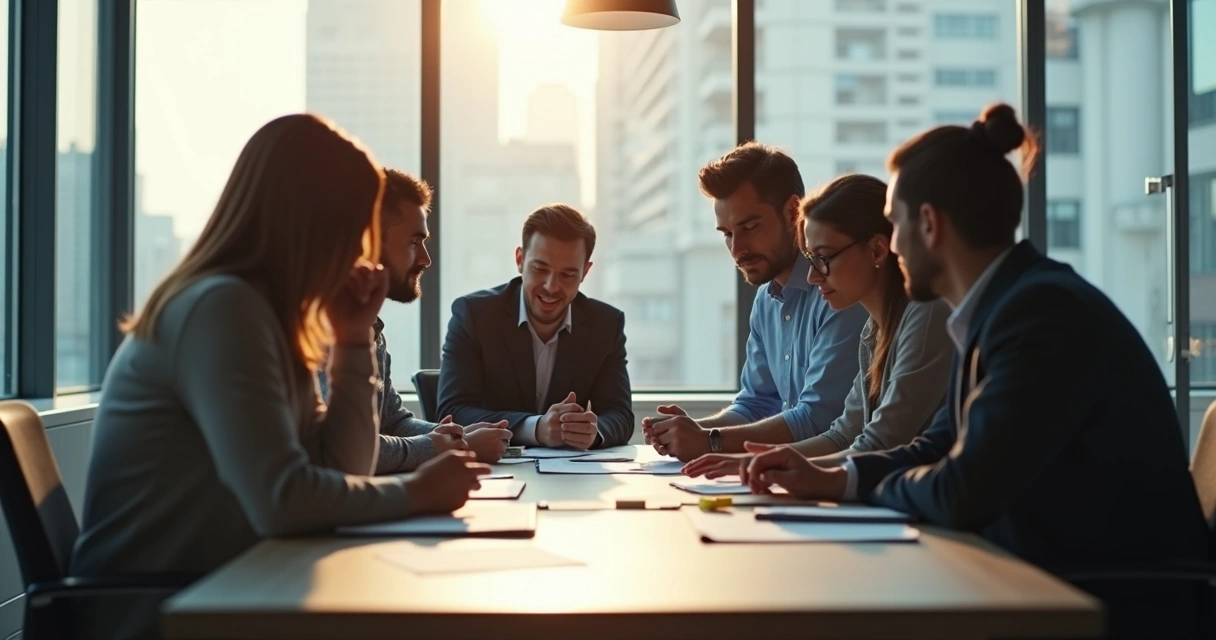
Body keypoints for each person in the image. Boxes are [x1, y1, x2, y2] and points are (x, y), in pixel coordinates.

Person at [742, 104, 1213, 638]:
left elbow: (962, 487)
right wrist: (831, 478)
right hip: (1055, 574)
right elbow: (938, 446)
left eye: (894, 225)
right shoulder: (1004, 308)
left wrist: (847, 483)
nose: (889, 245)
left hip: (1120, 600)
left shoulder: (1039, 316)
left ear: (929, 224)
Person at [70, 114, 489, 640]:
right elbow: (283, 501)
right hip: (159, 611)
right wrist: (415, 494)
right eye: (354, 230)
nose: (361, 253)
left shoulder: (270, 317)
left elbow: (342, 466)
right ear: (313, 224)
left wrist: (354, 338)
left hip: (228, 585)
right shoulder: (222, 308)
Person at [681, 174, 952, 479]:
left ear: (877, 251)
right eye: (810, 258)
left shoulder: (926, 314)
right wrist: (756, 460)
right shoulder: (873, 332)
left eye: (823, 258)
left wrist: (766, 463)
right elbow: (842, 434)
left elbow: (881, 442)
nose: (812, 277)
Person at [643, 143, 869, 462]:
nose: (737, 250)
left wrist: (709, 440)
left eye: (749, 227)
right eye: (727, 234)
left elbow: (818, 419)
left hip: (830, 477)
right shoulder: (766, 299)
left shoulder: (839, 291)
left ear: (793, 212)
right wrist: (689, 431)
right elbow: (755, 406)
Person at [316, 169, 512, 467]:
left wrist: (454, 436)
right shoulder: (323, 326)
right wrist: (445, 448)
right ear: (371, 242)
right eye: (414, 242)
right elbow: (347, 447)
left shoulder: (370, 325)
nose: (425, 259)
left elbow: (393, 421)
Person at [437, 204, 634, 449]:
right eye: (540, 269)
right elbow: (452, 411)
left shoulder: (606, 325)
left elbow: (620, 415)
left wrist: (594, 431)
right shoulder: (474, 315)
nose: (551, 287)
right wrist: (535, 427)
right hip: (493, 472)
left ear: (585, 272)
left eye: (568, 275)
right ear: (520, 260)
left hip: (571, 480)